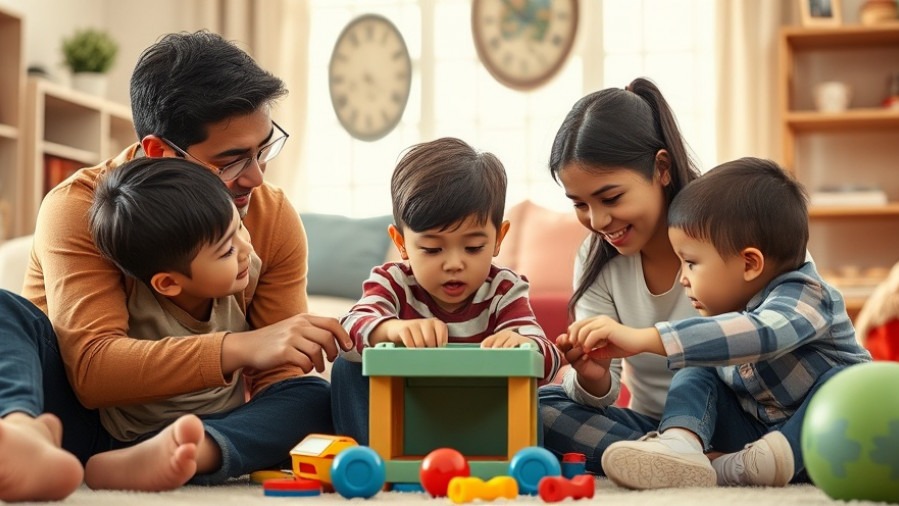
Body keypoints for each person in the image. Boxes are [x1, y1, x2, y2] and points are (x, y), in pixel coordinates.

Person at [0, 30, 352, 494]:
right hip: (75, 421)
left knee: (313, 399)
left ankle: (194, 451)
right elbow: (90, 370)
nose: (256, 176)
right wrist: (240, 348)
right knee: (7, 313)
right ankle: (22, 438)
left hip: (195, 424)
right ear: (159, 152)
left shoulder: (271, 214)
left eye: (263, 148)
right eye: (231, 160)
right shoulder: (80, 207)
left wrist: (277, 365)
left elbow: (278, 373)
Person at [575, 158, 871, 489]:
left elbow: (764, 333)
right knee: (695, 366)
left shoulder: (808, 294)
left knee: (850, 383)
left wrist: (644, 338)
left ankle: (738, 466)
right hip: (754, 438)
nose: (683, 278)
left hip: (828, 436)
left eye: (690, 263)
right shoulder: (723, 308)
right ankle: (681, 445)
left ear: (749, 263)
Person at [331, 137, 563, 444]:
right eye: (432, 249)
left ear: (498, 239)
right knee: (347, 364)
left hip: (479, 424)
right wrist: (391, 330)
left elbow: (551, 359)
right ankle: (366, 457)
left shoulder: (503, 289)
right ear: (401, 243)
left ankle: (520, 458)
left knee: (534, 385)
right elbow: (347, 333)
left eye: (472, 247)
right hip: (404, 423)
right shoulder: (394, 282)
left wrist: (525, 345)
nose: (454, 263)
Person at [537, 77, 702, 474]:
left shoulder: (727, 226)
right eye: (580, 204)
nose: (597, 221)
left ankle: (698, 456)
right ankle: (684, 459)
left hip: (739, 416)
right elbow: (603, 396)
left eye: (611, 198)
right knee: (537, 408)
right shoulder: (596, 260)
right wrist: (592, 378)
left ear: (661, 168)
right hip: (652, 428)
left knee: (702, 372)